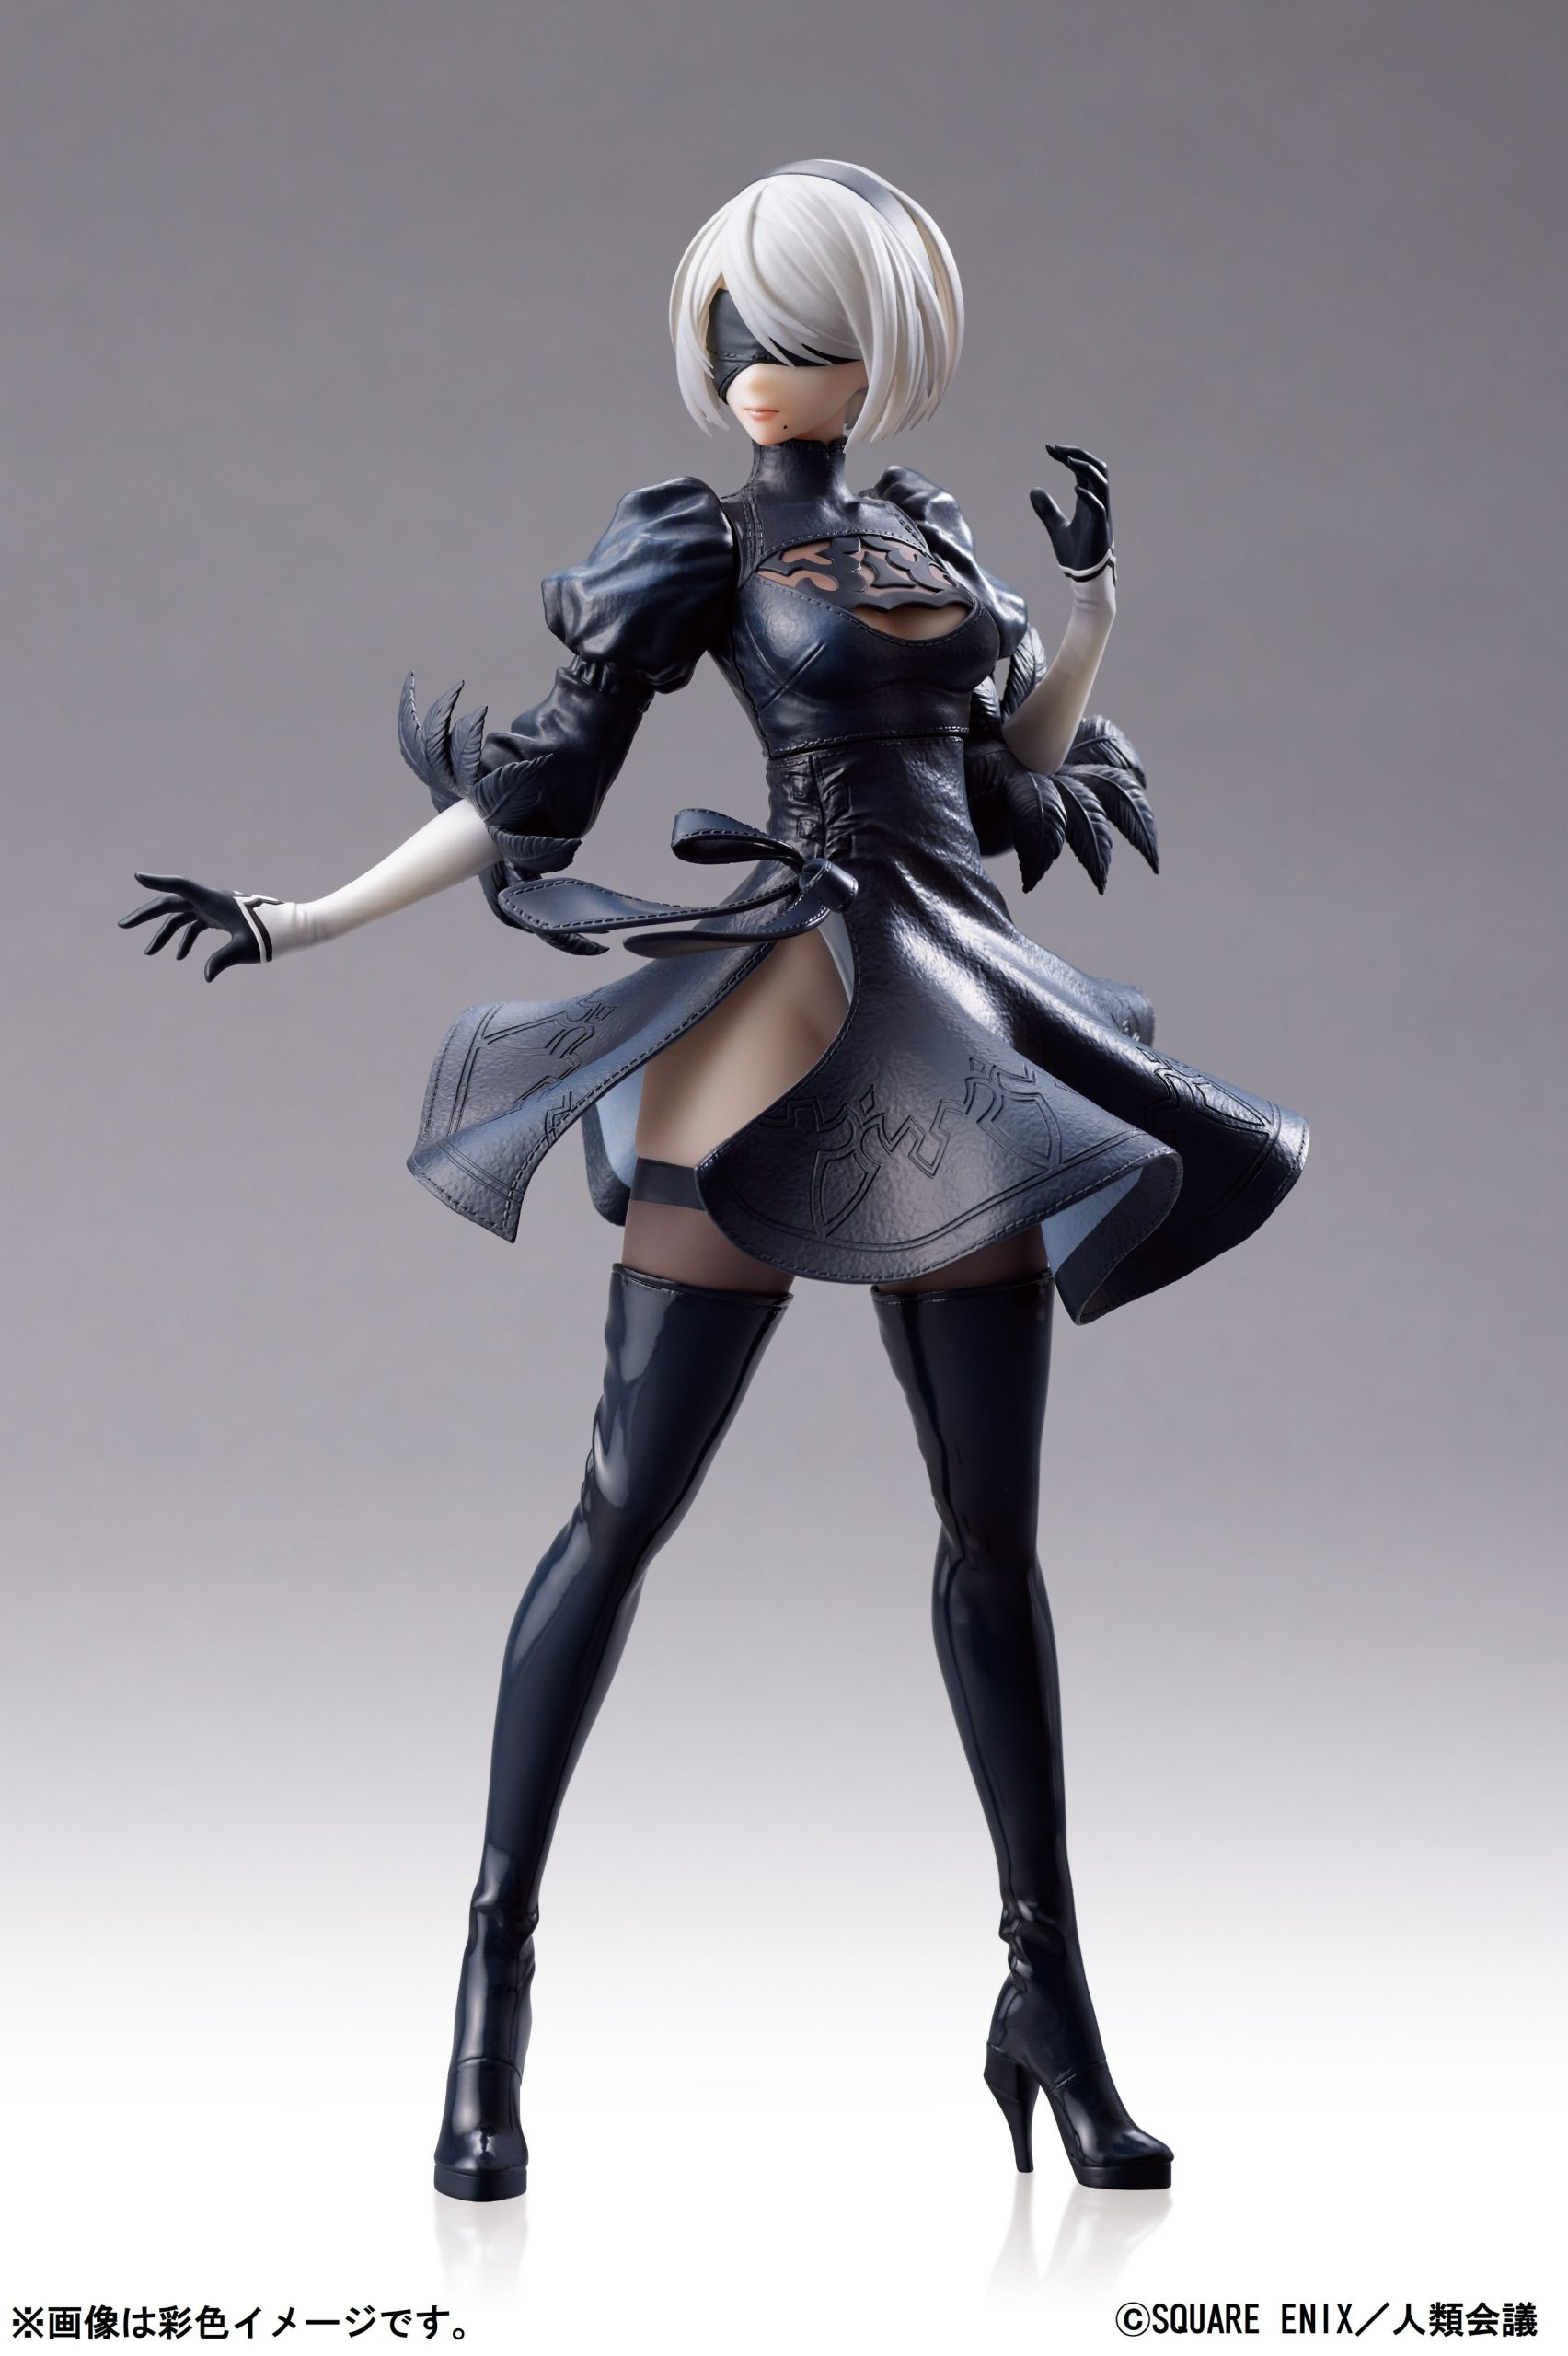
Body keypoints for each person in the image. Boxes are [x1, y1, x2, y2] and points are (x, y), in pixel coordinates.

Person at [122, 158, 1308, 2201]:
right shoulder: (694, 542)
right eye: (738, 326)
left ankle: (1051, 2001)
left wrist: (1094, 609)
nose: (764, 362)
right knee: (622, 1506)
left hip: (954, 1026)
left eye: (807, 331)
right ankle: (489, 1991)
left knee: (995, 1540)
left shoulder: (932, 530)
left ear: (883, 350)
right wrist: (298, 915)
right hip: (777, 1013)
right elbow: (538, 785)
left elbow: (1013, 776)